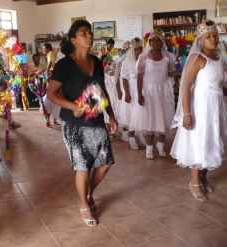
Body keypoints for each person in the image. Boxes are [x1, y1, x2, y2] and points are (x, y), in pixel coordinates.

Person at [47, 20, 117, 227]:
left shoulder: (97, 62)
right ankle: (83, 204)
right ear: (73, 39)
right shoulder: (64, 65)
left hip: (95, 119)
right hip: (74, 123)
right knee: (82, 166)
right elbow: (51, 94)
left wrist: (111, 115)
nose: (89, 36)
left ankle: (88, 193)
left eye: (90, 32)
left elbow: (102, 91)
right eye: (83, 33)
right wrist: (71, 106)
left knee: (105, 163)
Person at [170, 21, 227, 201]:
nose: (213, 39)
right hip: (201, 108)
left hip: (215, 107)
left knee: (211, 140)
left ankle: (203, 177)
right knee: (199, 141)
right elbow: (186, 87)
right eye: (208, 37)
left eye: (215, 36)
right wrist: (187, 113)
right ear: (201, 40)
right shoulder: (198, 59)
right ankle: (194, 182)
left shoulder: (220, 57)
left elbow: (221, 83)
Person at [130, 33, 175, 159]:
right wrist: (139, 94)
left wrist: (172, 74)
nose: (156, 43)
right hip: (148, 92)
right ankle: (149, 148)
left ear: (162, 42)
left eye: (158, 40)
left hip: (163, 92)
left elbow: (170, 74)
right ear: (149, 43)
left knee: (163, 119)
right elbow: (139, 77)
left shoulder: (168, 57)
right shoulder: (143, 58)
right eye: (153, 41)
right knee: (148, 120)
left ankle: (160, 145)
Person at [117, 38, 143, 149]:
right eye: (136, 49)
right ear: (132, 49)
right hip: (131, 91)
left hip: (142, 90)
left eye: (140, 48)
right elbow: (124, 78)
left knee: (141, 115)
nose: (139, 51)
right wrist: (126, 93)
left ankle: (140, 137)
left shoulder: (144, 60)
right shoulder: (127, 62)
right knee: (132, 116)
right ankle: (131, 138)